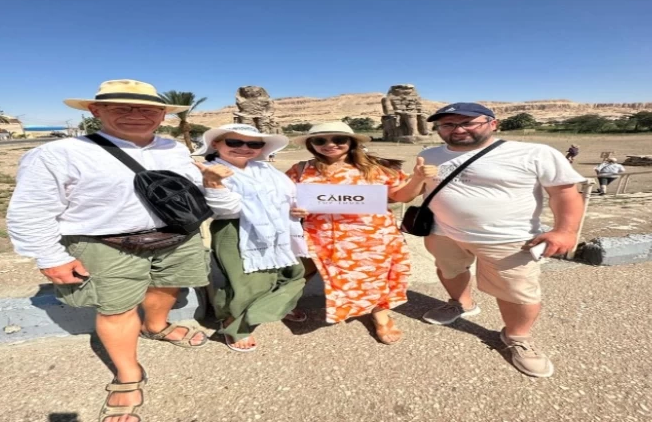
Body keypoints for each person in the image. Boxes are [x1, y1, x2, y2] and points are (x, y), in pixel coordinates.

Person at [7, 79, 238, 422]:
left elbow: (190, 195)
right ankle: (128, 374)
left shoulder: (172, 149)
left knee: (167, 286)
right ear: (95, 110)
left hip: (177, 237)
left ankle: (156, 326)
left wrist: (214, 185)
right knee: (116, 309)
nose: (136, 115)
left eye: (146, 109)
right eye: (122, 108)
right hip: (106, 244)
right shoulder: (58, 154)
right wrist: (50, 256)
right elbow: (31, 209)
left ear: (162, 115)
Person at [417, 102, 585, 378]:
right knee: (449, 270)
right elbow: (419, 187)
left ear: (493, 123)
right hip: (442, 231)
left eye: (468, 122)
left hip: (508, 238)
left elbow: (564, 193)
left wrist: (565, 231)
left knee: (518, 291)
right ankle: (461, 304)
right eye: (447, 124)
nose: (457, 129)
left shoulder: (534, 153)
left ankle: (517, 337)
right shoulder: (429, 154)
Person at [286, 121, 430, 344]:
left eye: (339, 139)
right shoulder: (301, 169)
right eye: (320, 140)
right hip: (320, 235)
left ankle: (380, 315)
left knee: (376, 276)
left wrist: (419, 179)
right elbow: (283, 198)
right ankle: (283, 305)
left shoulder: (376, 167)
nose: (329, 144)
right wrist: (293, 207)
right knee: (309, 274)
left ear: (351, 142)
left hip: (371, 235)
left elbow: (401, 196)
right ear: (311, 144)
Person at [192, 124, 308, 353]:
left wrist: (297, 209)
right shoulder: (206, 170)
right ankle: (234, 324)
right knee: (246, 281)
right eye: (234, 142)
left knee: (291, 273)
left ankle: (270, 307)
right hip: (235, 228)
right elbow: (227, 211)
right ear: (216, 143)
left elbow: (289, 196)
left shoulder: (266, 170)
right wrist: (214, 183)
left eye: (253, 144)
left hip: (279, 227)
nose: (244, 148)